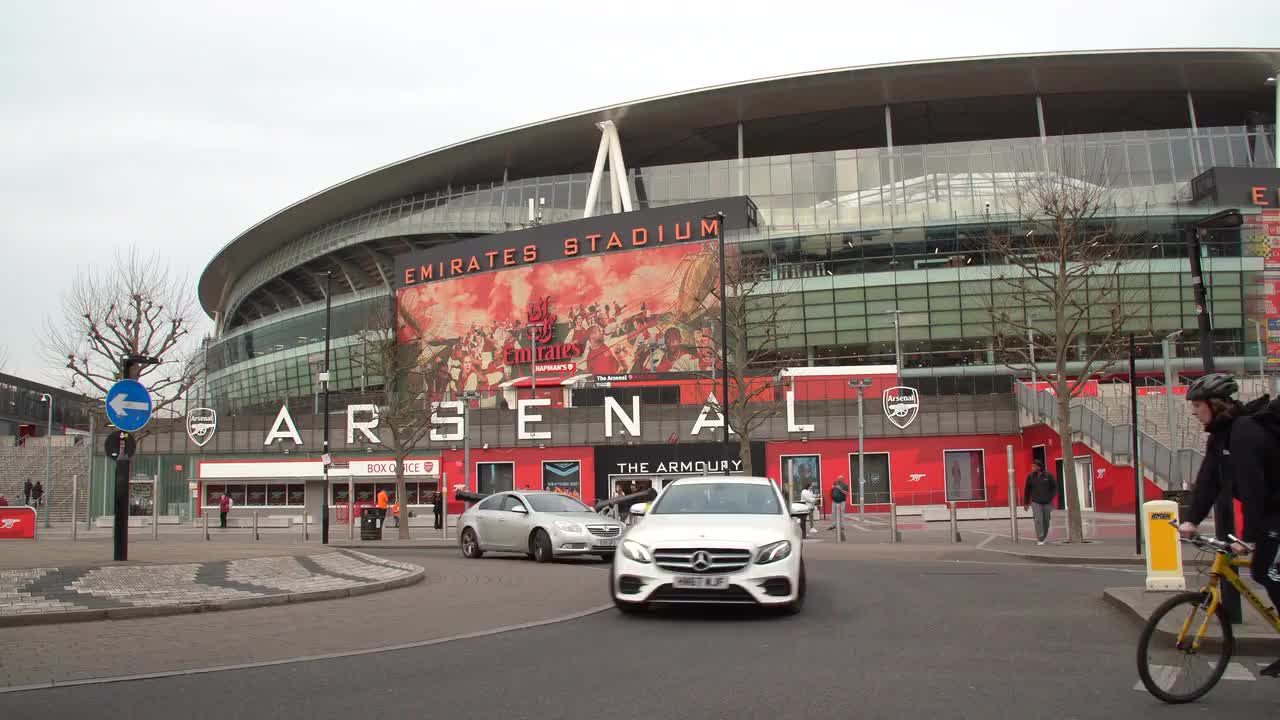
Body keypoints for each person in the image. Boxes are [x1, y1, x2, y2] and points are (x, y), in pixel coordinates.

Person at [1175, 373, 1280, 677]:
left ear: (1215, 404)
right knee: (1264, 570)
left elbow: (1253, 489)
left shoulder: (1244, 432)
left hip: (1276, 511)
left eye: (1197, 405)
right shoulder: (1220, 435)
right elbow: (1208, 480)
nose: (1194, 412)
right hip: (1270, 510)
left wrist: (1248, 537)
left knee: (1265, 570)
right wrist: (1191, 520)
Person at [1023, 460, 1057, 545]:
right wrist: (1026, 503)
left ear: (1039, 467)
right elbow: (1027, 490)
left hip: (1047, 502)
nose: (1032, 468)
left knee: (1046, 521)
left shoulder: (1048, 476)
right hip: (1036, 503)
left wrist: (1050, 498)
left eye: (1034, 466)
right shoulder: (1030, 477)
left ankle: (1043, 536)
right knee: (1038, 520)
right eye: (1032, 466)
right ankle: (1040, 538)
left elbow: (1054, 488)